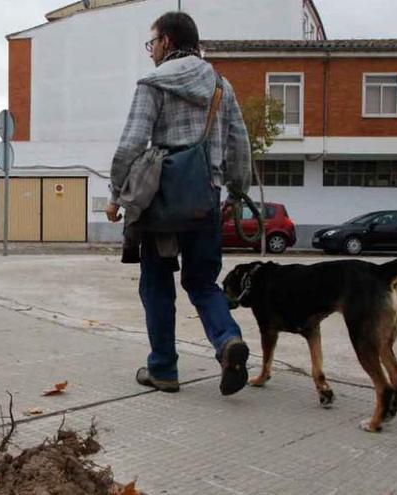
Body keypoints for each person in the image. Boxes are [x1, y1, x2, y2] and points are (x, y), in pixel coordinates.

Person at [107, 12, 252, 396]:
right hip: (206, 196)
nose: (150, 51)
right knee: (202, 281)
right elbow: (240, 146)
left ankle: (164, 369)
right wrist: (236, 192)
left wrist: (114, 193)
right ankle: (227, 342)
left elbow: (131, 145)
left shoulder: (153, 83)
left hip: (163, 200)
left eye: (152, 43)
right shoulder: (222, 86)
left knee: (156, 283)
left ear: (167, 42)